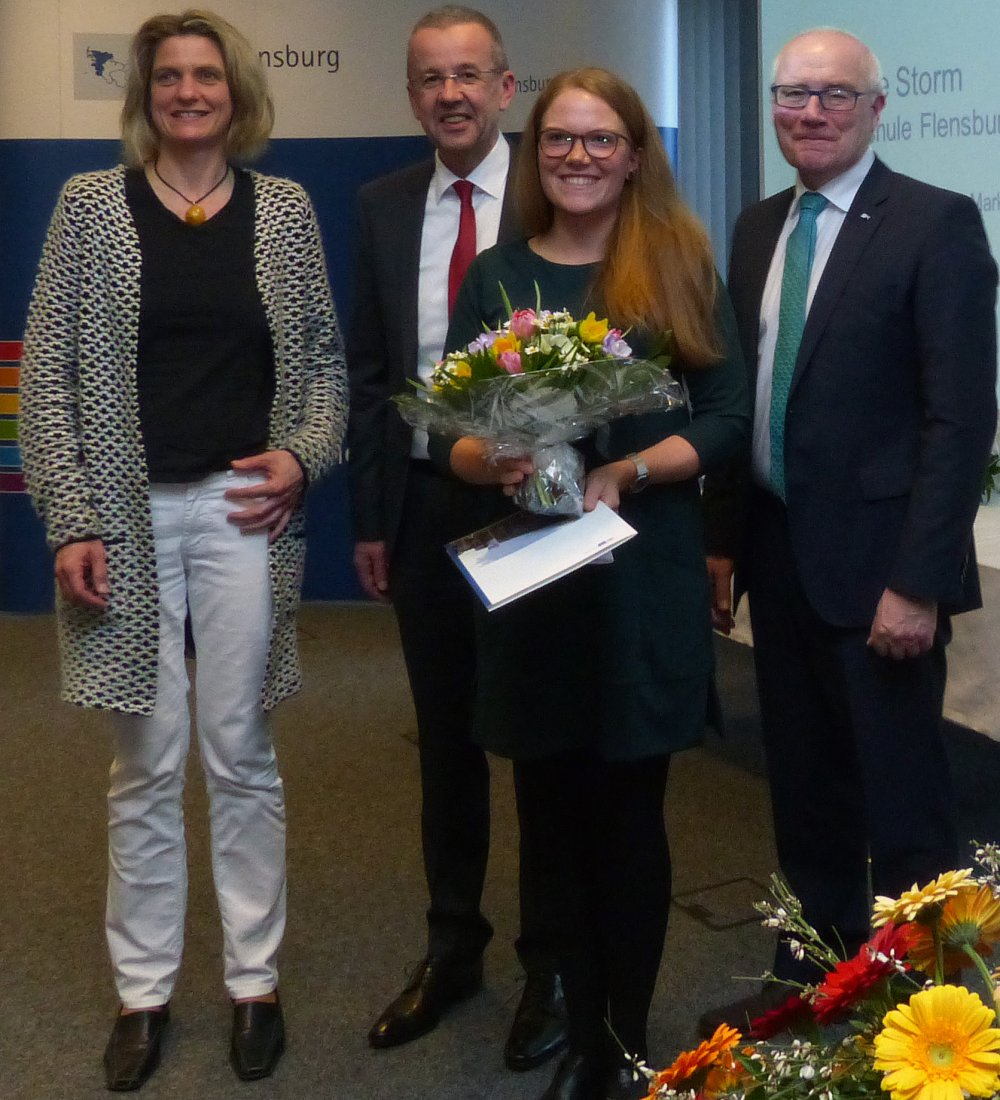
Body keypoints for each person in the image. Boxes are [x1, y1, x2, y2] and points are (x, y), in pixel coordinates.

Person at [19, 8, 347, 1091]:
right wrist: (70, 514)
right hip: (122, 517)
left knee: (241, 752)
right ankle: (144, 992)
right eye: (170, 77)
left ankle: (254, 980)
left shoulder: (285, 211)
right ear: (144, 93)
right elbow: (51, 376)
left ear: (235, 91)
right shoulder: (88, 207)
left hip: (242, 510)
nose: (189, 92)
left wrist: (301, 457)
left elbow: (324, 371)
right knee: (143, 763)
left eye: (207, 75)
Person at [440, 68, 749, 1100]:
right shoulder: (495, 275)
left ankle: (620, 1036)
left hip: (636, 575)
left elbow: (726, 420)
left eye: (598, 139)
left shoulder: (674, 262)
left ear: (631, 154)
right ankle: (569, 1009)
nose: (577, 157)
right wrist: (492, 459)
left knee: (627, 813)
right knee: (547, 807)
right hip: (535, 578)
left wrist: (628, 467)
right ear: (536, 155)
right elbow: (455, 433)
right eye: (558, 140)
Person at [699, 28, 998, 1034]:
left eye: (833, 94)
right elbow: (745, 403)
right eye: (792, 93)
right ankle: (809, 969)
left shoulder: (935, 220)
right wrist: (725, 541)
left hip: (881, 571)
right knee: (805, 792)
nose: (810, 110)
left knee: (906, 803)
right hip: (781, 555)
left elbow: (959, 419)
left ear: (876, 109)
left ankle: (931, 1004)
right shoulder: (753, 228)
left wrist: (918, 581)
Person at [346, 5, 567, 1068]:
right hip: (429, 504)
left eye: (468, 75)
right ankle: (453, 945)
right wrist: (373, 517)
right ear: (411, 95)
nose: (450, 94)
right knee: (446, 741)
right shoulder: (383, 206)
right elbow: (369, 373)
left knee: (541, 736)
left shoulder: (560, 187)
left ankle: (552, 962)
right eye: (430, 78)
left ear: (505, 87)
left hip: (540, 505)